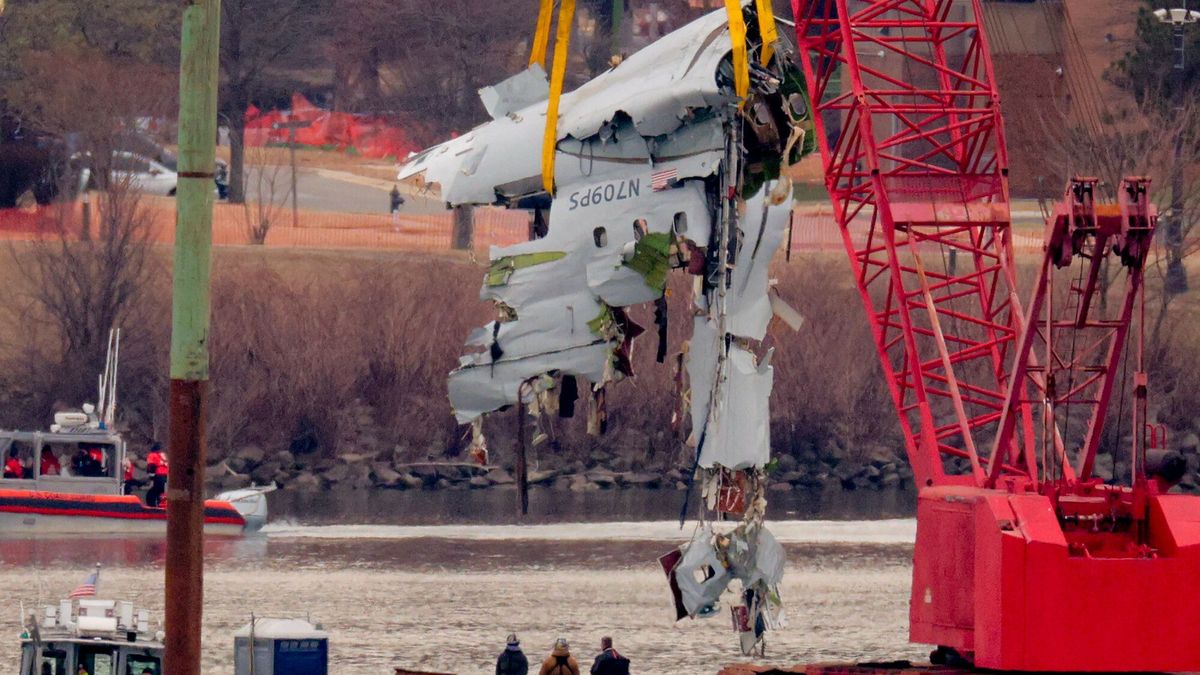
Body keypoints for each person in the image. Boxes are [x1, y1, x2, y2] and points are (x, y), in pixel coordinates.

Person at [145, 443, 167, 507]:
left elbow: (151, 466)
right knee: (160, 492)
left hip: (159, 475)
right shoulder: (163, 455)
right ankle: (161, 504)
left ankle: (152, 507)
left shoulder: (152, 455)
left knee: (152, 493)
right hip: (166, 476)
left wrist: (151, 476)